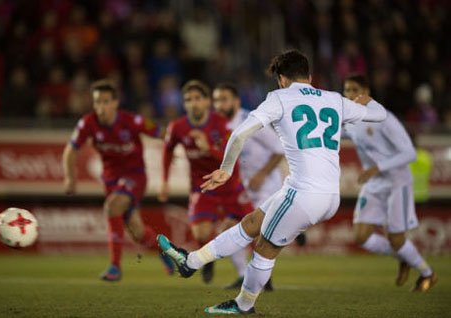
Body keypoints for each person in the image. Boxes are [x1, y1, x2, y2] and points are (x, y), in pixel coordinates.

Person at [157, 49, 387, 314]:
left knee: (265, 248)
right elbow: (379, 115)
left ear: (281, 79)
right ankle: (192, 261)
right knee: (251, 223)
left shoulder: (279, 98)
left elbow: (241, 132)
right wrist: (368, 102)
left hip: (303, 193)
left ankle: (243, 305)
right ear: (309, 76)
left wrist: (226, 168)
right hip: (327, 195)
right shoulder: (335, 99)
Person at [62, 79, 174, 281]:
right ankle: (164, 249)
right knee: (137, 233)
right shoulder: (87, 123)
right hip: (111, 181)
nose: (101, 107)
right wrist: (70, 178)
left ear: (115, 103)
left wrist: (181, 141)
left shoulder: (131, 121)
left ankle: (115, 267)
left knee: (112, 206)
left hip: (135, 176)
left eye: (105, 102)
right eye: (97, 102)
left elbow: (163, 133)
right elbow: (70, 150)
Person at [342, 74, 437, 291]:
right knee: (361, 237)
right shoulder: (350, 121)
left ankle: (427, 273)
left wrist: (378, 167)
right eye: (346, 90)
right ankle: (404, 257)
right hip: (374, 183)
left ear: (366, 93)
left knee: (396, 238)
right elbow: (333, 133)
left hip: (397, 181)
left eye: (354, 90)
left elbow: (410, 153)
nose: (349, 94)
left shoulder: (385, 118)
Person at [159, 80, 254, 284]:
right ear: (184, 104)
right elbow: (167, 150)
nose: (193, 103)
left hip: (229, 184)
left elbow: (231, 158)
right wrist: (165, 181)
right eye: (188, 100)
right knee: (200, 231)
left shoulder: (221, 125)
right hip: (201, 186)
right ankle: (208, 259)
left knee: (255, 226)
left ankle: (263, 275)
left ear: (207, 102)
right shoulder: (178, 127)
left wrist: (207, 147)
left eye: (198, 99)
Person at [212, 83, 285, 290]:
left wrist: (262, 174)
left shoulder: (252, 121)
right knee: (230, 229)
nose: (219, 105)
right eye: (216, 100)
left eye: (224, 99)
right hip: (241, 188)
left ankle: (261, 277)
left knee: (259, 231)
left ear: (236, 101)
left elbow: (279, 150)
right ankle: (246, 275)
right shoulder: (217, 126)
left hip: (265, 187)